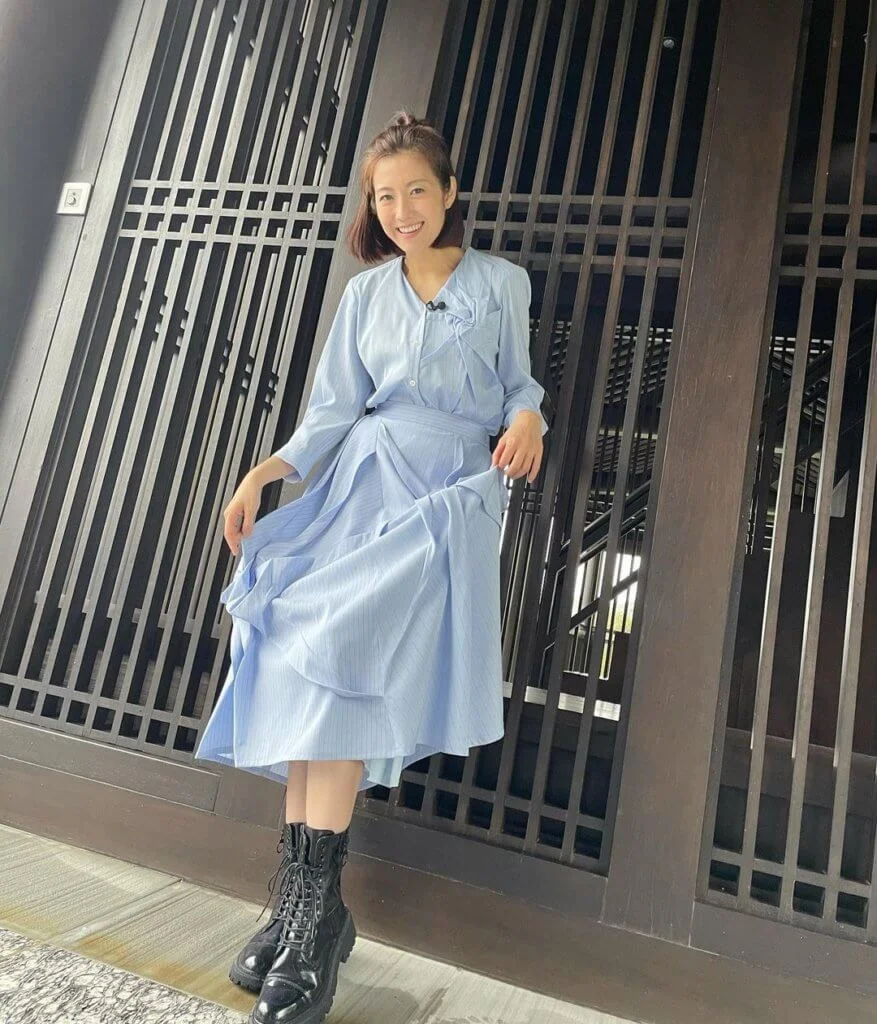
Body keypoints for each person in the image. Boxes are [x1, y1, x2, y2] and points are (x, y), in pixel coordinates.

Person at [193, 110, 549, 1024]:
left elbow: (519, 385)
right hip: (362, 484)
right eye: (385, 197)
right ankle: (306, 910)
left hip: (444, 500)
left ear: (449, 192)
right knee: (304, 656)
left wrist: (528, 417)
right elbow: (331, 411)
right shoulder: (364, 295)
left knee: (343, 660)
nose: (401, 211)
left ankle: (311, 922)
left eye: (415, 191)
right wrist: (264, 472)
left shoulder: (501, 281)